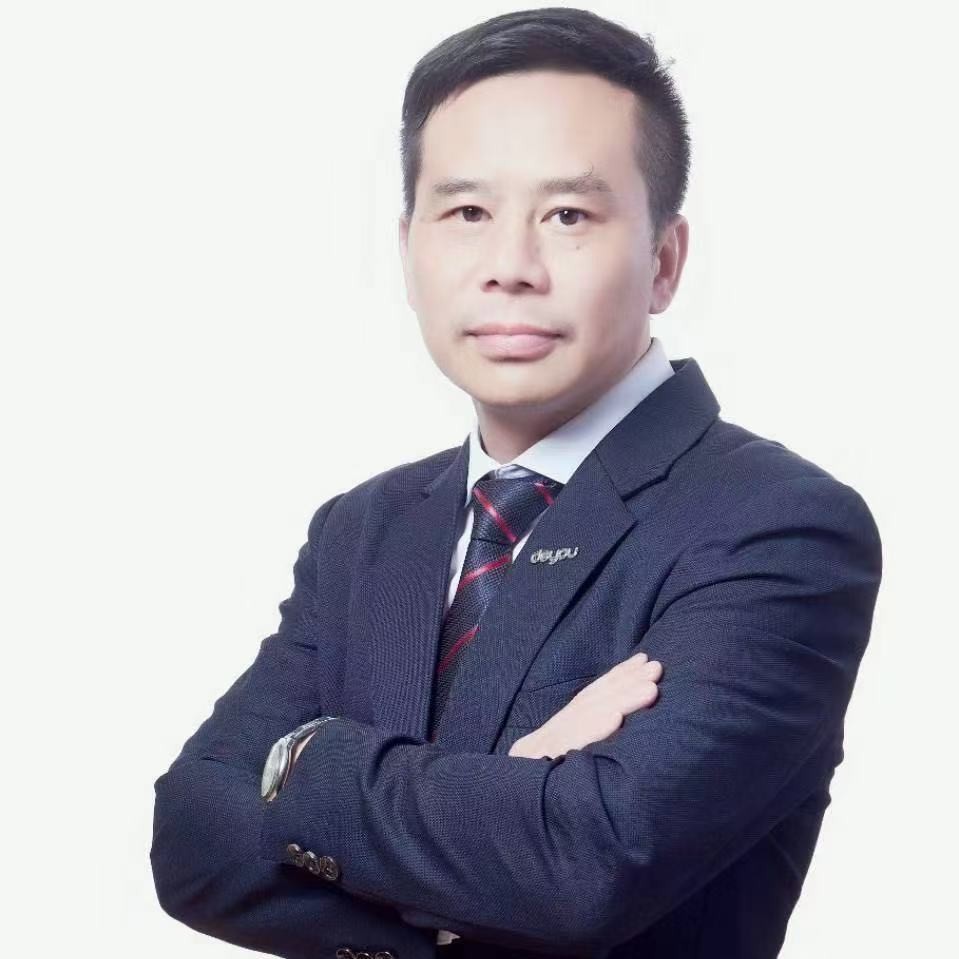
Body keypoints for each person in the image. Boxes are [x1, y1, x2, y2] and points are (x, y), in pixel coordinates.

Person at [150, 8, 883, 959]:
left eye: (568, 215)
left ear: (663, 260)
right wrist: (499, 815)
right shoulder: (364, 528)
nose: (510, 267)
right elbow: (193, 843)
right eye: (467, 214)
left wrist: (302, 760)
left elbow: (584, 866)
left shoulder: (778, 525)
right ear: (407, 249)